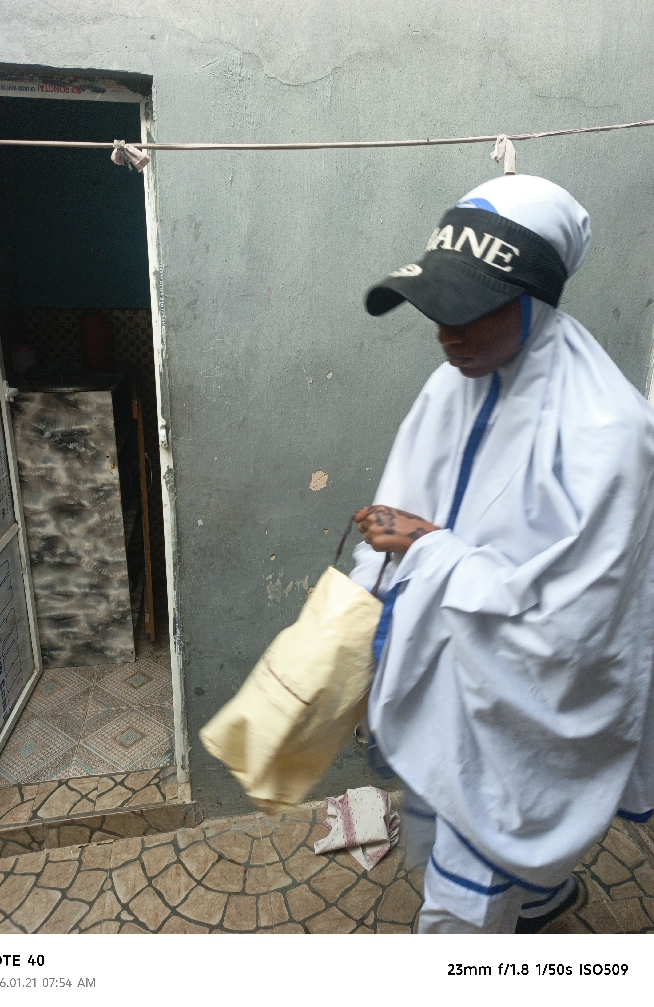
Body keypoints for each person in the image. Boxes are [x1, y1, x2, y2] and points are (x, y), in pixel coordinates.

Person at [350, 174, 654, 934]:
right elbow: (401, 513)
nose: (445, 335)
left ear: (533, 299)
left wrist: (428, 550)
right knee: (457, 824)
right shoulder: (448, 386)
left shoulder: (609, 433)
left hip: (519, 707)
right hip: (443, 674)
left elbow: (575, 628)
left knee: (464, 900)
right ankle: (543, 899)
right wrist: (367, 605)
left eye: (468, 310)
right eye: (436, 310)